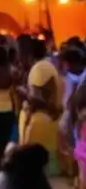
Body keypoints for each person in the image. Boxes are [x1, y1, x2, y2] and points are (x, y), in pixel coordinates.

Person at [20, 39, 63, 175]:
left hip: (40, 118)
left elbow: (37, 98)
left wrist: (22, 93)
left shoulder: (39, 69)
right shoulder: (48, 65)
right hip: (49, 117)